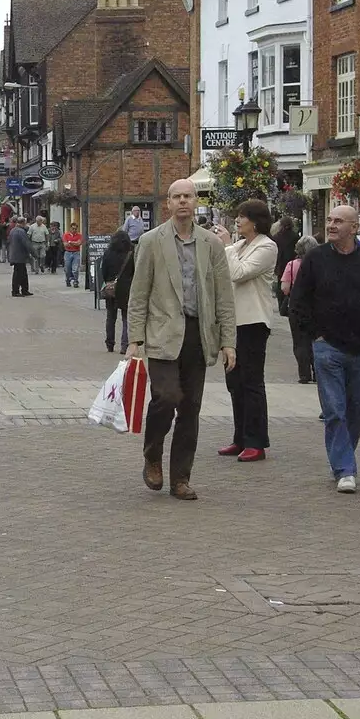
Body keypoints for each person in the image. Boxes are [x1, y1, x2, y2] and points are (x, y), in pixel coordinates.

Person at [127, 180, 236, 500]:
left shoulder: (211, 244)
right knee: (166, 397)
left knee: (190, 407)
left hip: (198, 334)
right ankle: (152, 453)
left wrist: (228, 340)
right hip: (162, 333)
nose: (183, 201)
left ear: (196, 201)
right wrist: (134, 338)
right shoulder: (150, 242)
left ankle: (180, 478)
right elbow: (138, 294)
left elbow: (224, 296)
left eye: (188, 196)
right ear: (169, 203)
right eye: (177, 197)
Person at [288, 204, 360, 495]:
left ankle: (341, 458)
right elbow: (297, 303)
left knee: (356, 412)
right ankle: (346, 469)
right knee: (334, 409)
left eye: (339, 221)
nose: (332, 225)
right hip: (328, 348)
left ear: (354, 228)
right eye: (330, 220)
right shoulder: (315, 259)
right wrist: (316, 336)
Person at [214, 200, 279, 463]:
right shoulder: (240, 246)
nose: (238, 221)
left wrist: (227, 245)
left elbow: (239, 273)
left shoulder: (267, 246)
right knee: (234, 382)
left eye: (242, 217)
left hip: (253, 321)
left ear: (255, 221)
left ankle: (256, 441)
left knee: (252, 381)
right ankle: (239, 436)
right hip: (232, 322)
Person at [281, 235, 319, 383]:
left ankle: (304, 374)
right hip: (316, 307)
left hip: (296, 307)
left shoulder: (291, 265)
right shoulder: (319, 264)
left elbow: (284, 288)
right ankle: (317, 372)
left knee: (300, 341)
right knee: (315, 340)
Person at [99, 230, 135, 353]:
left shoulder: (108, 252)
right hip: (126, 287)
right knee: (126, 317)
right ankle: (124, 345)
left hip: (111, 287)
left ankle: (110, 343)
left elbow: (103, 270)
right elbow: (134, 271)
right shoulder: (131, 253)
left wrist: (108, 281)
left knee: (111, 317)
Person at [6, 217, 33, 297]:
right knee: (19, 274)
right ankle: (16, 291)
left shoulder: (13, 230)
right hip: (19, 256)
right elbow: (26, 243)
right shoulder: (21, 232)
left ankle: (24, 290)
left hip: (14, 255)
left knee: (22, 273)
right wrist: (33, 253)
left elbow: (9, 241)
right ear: (23, 223)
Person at [62, 223, 83, 287]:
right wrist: (74, 243)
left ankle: (75, 281)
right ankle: (68, 280)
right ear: (70, 228)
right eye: (73, 228)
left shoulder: (79, 235)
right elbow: (65, 244)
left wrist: (70, 242)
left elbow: (79, 243)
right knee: (67, 268)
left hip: (76, 253)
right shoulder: (66, 235)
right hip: (67, 253)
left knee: (75, 268)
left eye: (75, 229)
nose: (74, 230)